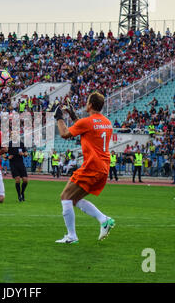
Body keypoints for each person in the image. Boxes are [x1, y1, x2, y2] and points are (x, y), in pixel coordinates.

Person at [51, 93, 115, 244]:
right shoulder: (107, 122)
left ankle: (72, 236)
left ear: (90, 105)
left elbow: (65, 134)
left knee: (65, 197)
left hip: (92, 166)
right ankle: (104, 220)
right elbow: (87, 129)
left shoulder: (87, 122)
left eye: (87, 102)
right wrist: (73, 115)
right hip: (104, 167)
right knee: (74, 199)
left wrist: (58, 117)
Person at [8, 136, 29, 202]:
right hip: (13, 164)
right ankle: (19, 196)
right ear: (11, 136)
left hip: (20, 163)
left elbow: (26, 153)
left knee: (25, 180)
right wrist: (8, 157)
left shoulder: (21, 144)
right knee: (17, 180)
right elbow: (3, 153)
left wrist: (23, 154)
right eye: (13, 134)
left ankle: (22, 193)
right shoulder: (9, 144)